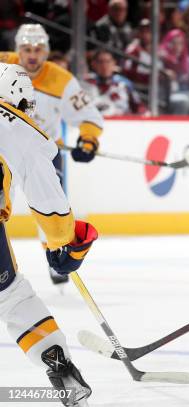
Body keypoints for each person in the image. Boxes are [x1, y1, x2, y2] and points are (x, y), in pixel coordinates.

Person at [0, 63, 97, 407]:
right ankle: (57, 364)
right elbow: (50, 209)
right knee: (13, 299)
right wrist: (66, 244)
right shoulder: (17, 128)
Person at [0, 24, 104, 287]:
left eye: (38, 49)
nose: (32, 55)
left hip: (42, 150)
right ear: (17, 49)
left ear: (46, 51)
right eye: (26, 49)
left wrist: (88, 139)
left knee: (50, 202)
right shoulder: (3, 63)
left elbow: (88, 115)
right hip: (5, 150)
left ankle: (57, 254)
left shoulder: (62, 80)